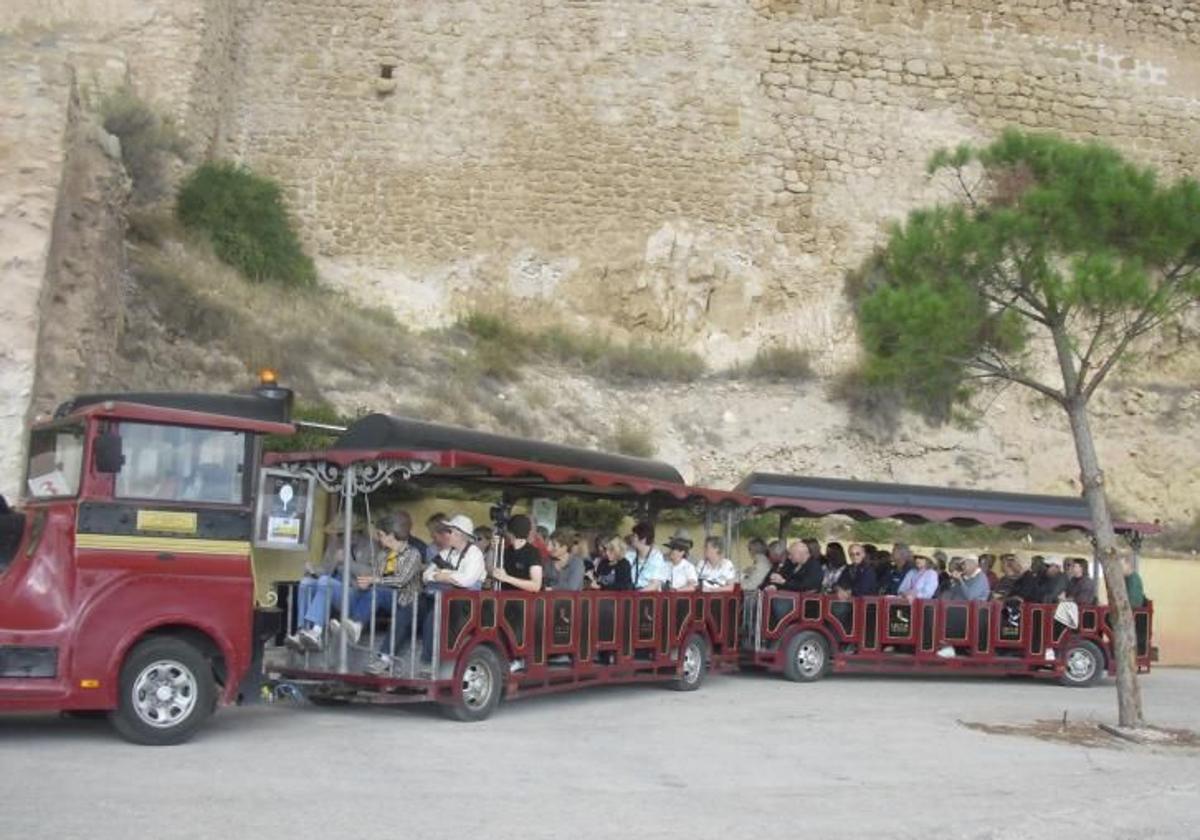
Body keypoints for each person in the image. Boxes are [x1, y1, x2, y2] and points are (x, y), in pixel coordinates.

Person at [286, 514, 371, 652]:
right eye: (338, 534)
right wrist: (313, 570)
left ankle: (316, 631)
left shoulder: (369, 546)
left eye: (342, 533)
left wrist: (347, 562)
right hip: (331, 589)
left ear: (355, 532)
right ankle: (302, 631)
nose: (339, 537)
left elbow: (370, 573)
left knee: (326, 582)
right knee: (306, 583)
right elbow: (325, 570)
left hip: (354, 593)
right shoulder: (335, 545)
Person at [362, 514, 426, 674]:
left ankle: (384, 658)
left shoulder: (413, 553)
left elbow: (401, 580)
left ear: (391, 535)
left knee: (403, 608)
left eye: (381, 535)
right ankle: (354, 625)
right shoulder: (383, 554)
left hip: (410, 599)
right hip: (390, 597)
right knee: (370, 592)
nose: (378, 538)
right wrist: (371, 580)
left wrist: (375, 580)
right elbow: (376, 574)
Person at [419, 514, 487, 662]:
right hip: (445, 599)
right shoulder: (446, 552)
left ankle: (428, 660)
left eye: (449, 531)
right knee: (416, 606)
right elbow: (426, 575)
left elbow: (467, 580)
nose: (446, 534)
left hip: (467, 604)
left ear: (460, 535)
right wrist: (440, 576)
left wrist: (445, 575)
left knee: (434, 615)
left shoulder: (474, 554)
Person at [489, 514, 543, 593]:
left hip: (524, 601)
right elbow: (490, 570)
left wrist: (507, 578)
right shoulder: (506, 550)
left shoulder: (533, 552)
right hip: (504, 598)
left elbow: (536, 586)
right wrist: (492, 549)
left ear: (510, 532)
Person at [628, 521, 670, 591]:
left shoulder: (656, 557)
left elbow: (655, 584)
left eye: (634, 536)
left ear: (643, 539)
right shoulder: (630, 555)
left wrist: (636, 595)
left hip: (647, 596)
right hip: (631, 592)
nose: (631, 538)